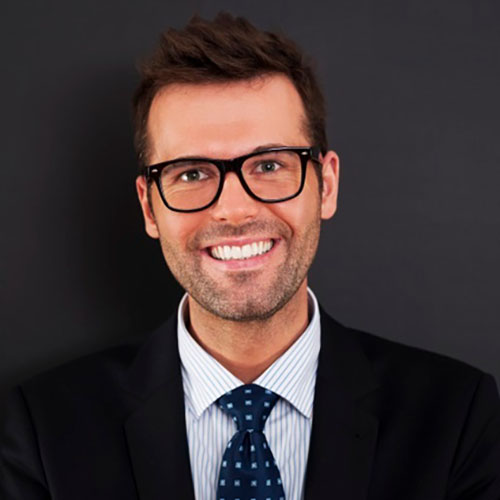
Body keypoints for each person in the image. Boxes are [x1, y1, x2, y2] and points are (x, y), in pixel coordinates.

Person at [1, 12, 499, 500]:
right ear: (149, 208)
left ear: (326, 186)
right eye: (191, 173)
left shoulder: (457, 418)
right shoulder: (41, 430)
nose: (234, 210)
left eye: (269, 165)